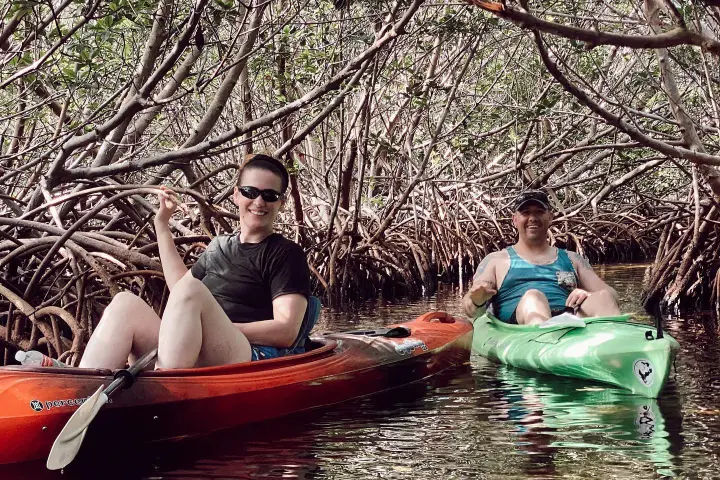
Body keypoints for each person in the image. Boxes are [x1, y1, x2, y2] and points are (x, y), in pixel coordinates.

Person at [79, 153, 311, 369]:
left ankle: (164, 392)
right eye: (250, 191)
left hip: (248, 353)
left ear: (281, 202)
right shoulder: (218, 246)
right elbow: (181, 292)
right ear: (236, 194)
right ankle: (78, 391)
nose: (259, 202)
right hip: (196, 348)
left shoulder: (286, 254)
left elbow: (286, 330)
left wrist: (208, 329)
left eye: (269, 195)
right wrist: (162, 225)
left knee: (192, 290)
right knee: (124, 304)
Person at [463, 190, 620, 325]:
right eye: (525, 213)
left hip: (569, 318)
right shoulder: (496, 260)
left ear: (550, 217)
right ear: (515, 220)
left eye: (539, 212)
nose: (532, 218)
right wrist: (477, 300)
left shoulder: (572, 259)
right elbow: (470, 309)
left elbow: (611, 294)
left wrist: (587, 294)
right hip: (522, 325)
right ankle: (550, 346)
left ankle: (622, 351)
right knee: (534, 297)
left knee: (603, 297)